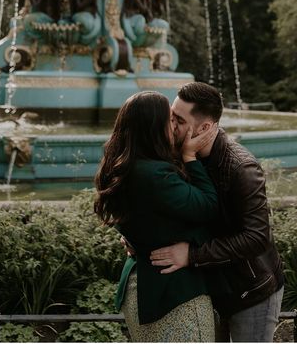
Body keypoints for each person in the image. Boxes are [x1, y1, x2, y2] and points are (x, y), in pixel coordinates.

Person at [150, 81, 285, 342]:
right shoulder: (178, 153)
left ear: (205, 128)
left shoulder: (241, 168)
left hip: (250, 291)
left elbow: (257, 237)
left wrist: (193, 255)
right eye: (170, 116)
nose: (170, 125)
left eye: (178, 119)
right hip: (211, 287)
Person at [94, 91, 219, 342]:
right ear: (153, 127)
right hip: (174, 298)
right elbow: (208, 206)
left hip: (141, 287)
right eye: (169, 119)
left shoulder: (124, 165)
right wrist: (190, 157)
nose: (173, 125)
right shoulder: (155, 175)